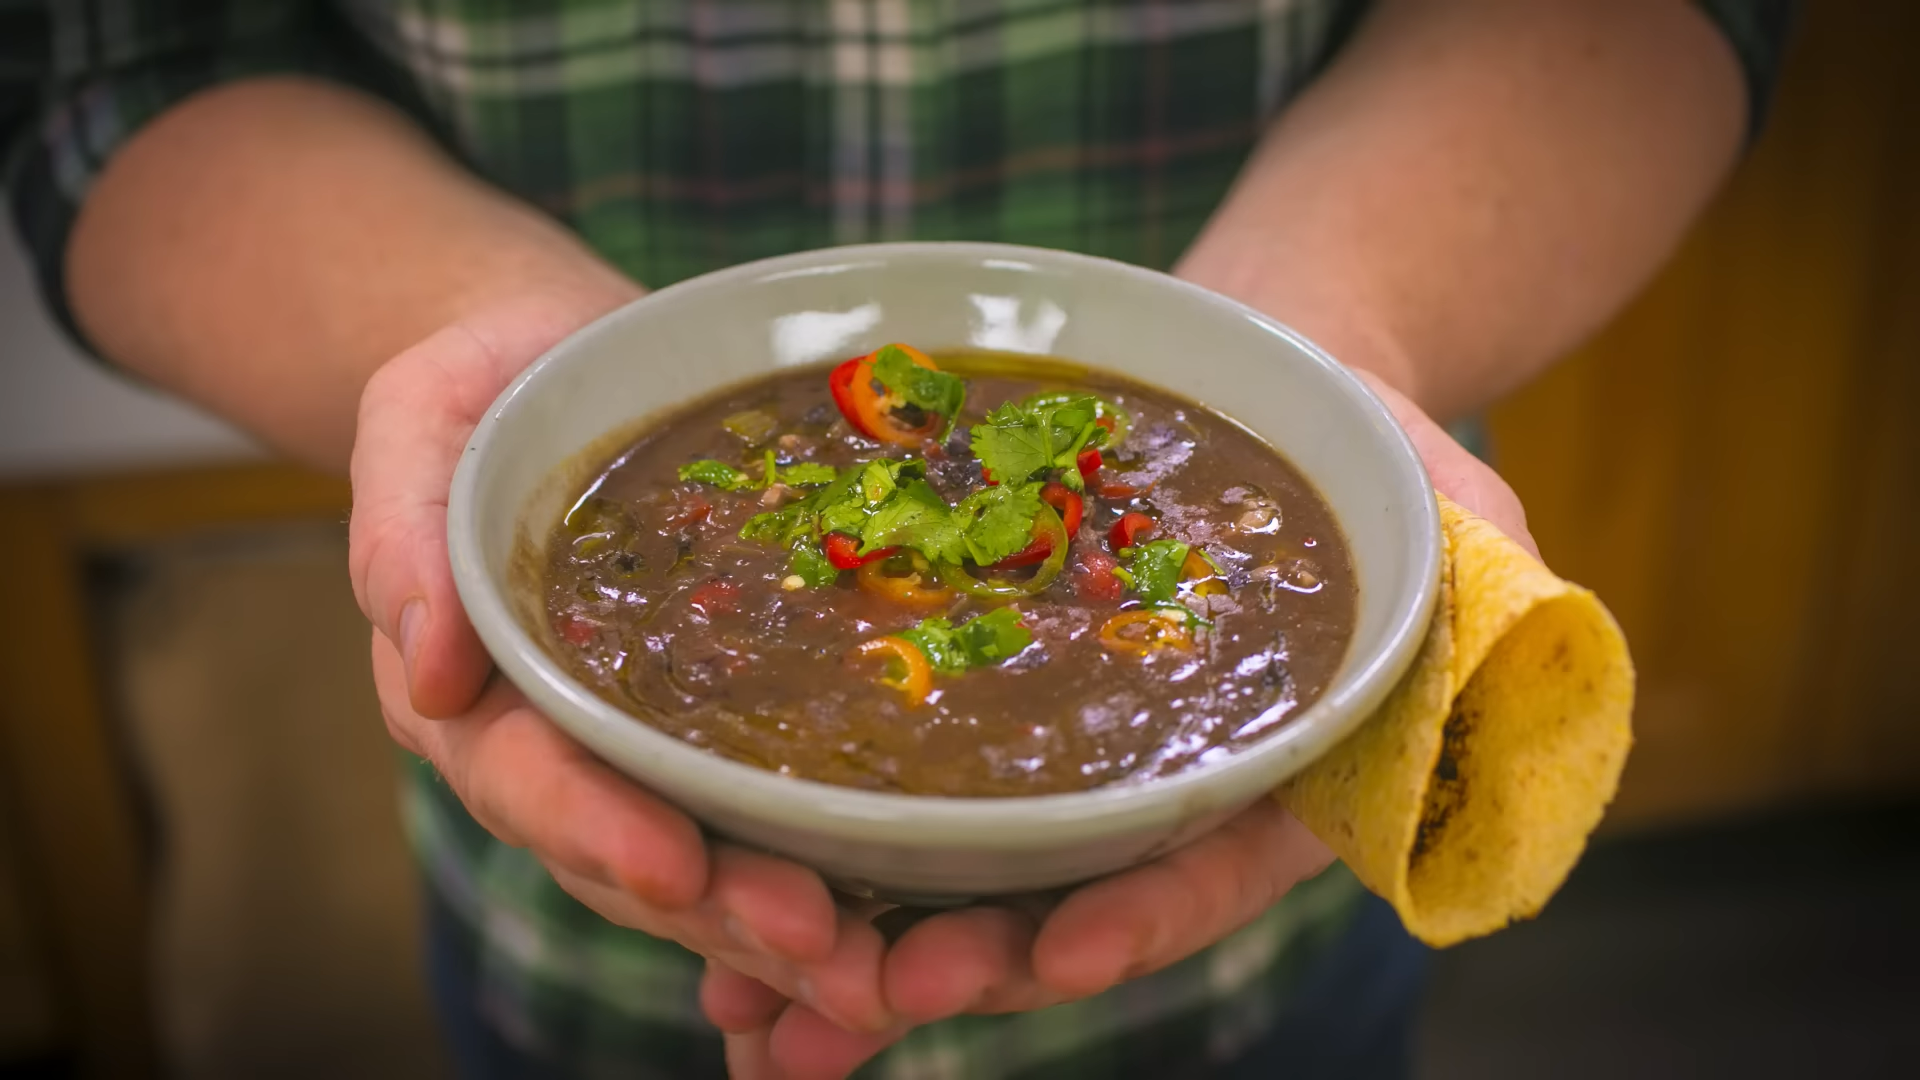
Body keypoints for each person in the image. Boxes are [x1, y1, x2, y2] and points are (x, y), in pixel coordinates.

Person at [3, 1, 1790, 1076]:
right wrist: (486, 325)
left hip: (1273, 950)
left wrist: (1331, 341)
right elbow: (114, 57)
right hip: (599, 950)